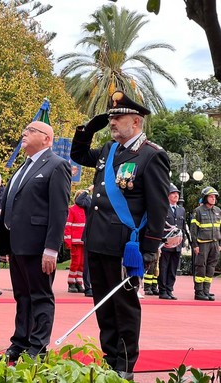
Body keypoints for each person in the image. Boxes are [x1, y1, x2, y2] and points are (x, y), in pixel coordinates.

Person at [70, 90, 170, 380]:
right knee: (102, 304)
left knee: (124, 307)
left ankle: (124, 364)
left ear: (136, 122)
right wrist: (88, 129)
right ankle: (109, 358)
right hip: (97, 240)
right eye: (111, 117)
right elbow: (78, 154)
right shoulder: (108, 150)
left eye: (118, 117)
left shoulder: (151, 155)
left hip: (126, 245)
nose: (112, 122)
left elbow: (158, 205)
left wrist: (150, 248)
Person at [0, 120, 71, 361]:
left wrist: (51, 248)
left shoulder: (57, 166)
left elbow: (59, 211)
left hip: (39, 246)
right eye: (24, 129)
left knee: (40, 296)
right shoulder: (23, 166)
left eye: (30, 130)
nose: (24, 133)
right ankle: (19, 342)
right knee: (22, 296)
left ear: (47, 139)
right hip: (17, 244)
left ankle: (38, 346)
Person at [190, 186, 221, 301]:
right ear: (205, 198)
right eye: (211, 197)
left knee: (211, 267)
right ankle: (199, 292)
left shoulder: (218, 211)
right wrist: (195, 245)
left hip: (215, 243)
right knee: (200, 267)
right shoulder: (198, 211)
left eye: (214, 197)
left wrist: (220, 243)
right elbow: (193, 230)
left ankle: (206, 291)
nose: (213, 199)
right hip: (202, 244)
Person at [158, 184, 187, 300]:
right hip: (166, 243)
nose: (176, 195)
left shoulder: (181, 210)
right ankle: (163, 290)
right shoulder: (163, 208)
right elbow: (159, 227)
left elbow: (183, 227)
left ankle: (170, 290)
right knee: (163, 268)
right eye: (173, 193)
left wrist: (183, 241)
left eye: (177, 193)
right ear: (167, 195)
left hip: (177, 244)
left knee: (173, 269)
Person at [64, 190, 87, 293]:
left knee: (82, 263)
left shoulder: (86, 210)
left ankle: (79, 281)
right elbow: (68, 226)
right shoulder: (72, 210)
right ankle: (71, 282)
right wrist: (68, 240)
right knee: (75, 262)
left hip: (83, 242)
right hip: (75, 242)